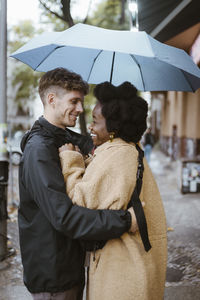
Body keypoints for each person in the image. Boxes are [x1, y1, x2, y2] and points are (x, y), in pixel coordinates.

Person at [18, 68, 138, 300]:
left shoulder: (65, 137)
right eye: (74, 101)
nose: (81, 109)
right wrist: (125, 221)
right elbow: (64, 217)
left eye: (81, 102)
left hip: (70, 266)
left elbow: (97, 147)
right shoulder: (39, 150)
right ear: (51, 100)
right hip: (54, 276)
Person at [59, 82, 167, 300]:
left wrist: (70, 161)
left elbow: (79, 203)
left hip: (120, 272)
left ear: (113, 128)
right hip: (135, 264)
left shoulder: (115, 155)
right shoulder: (130, 149)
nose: (90, 127)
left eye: (96, 121)